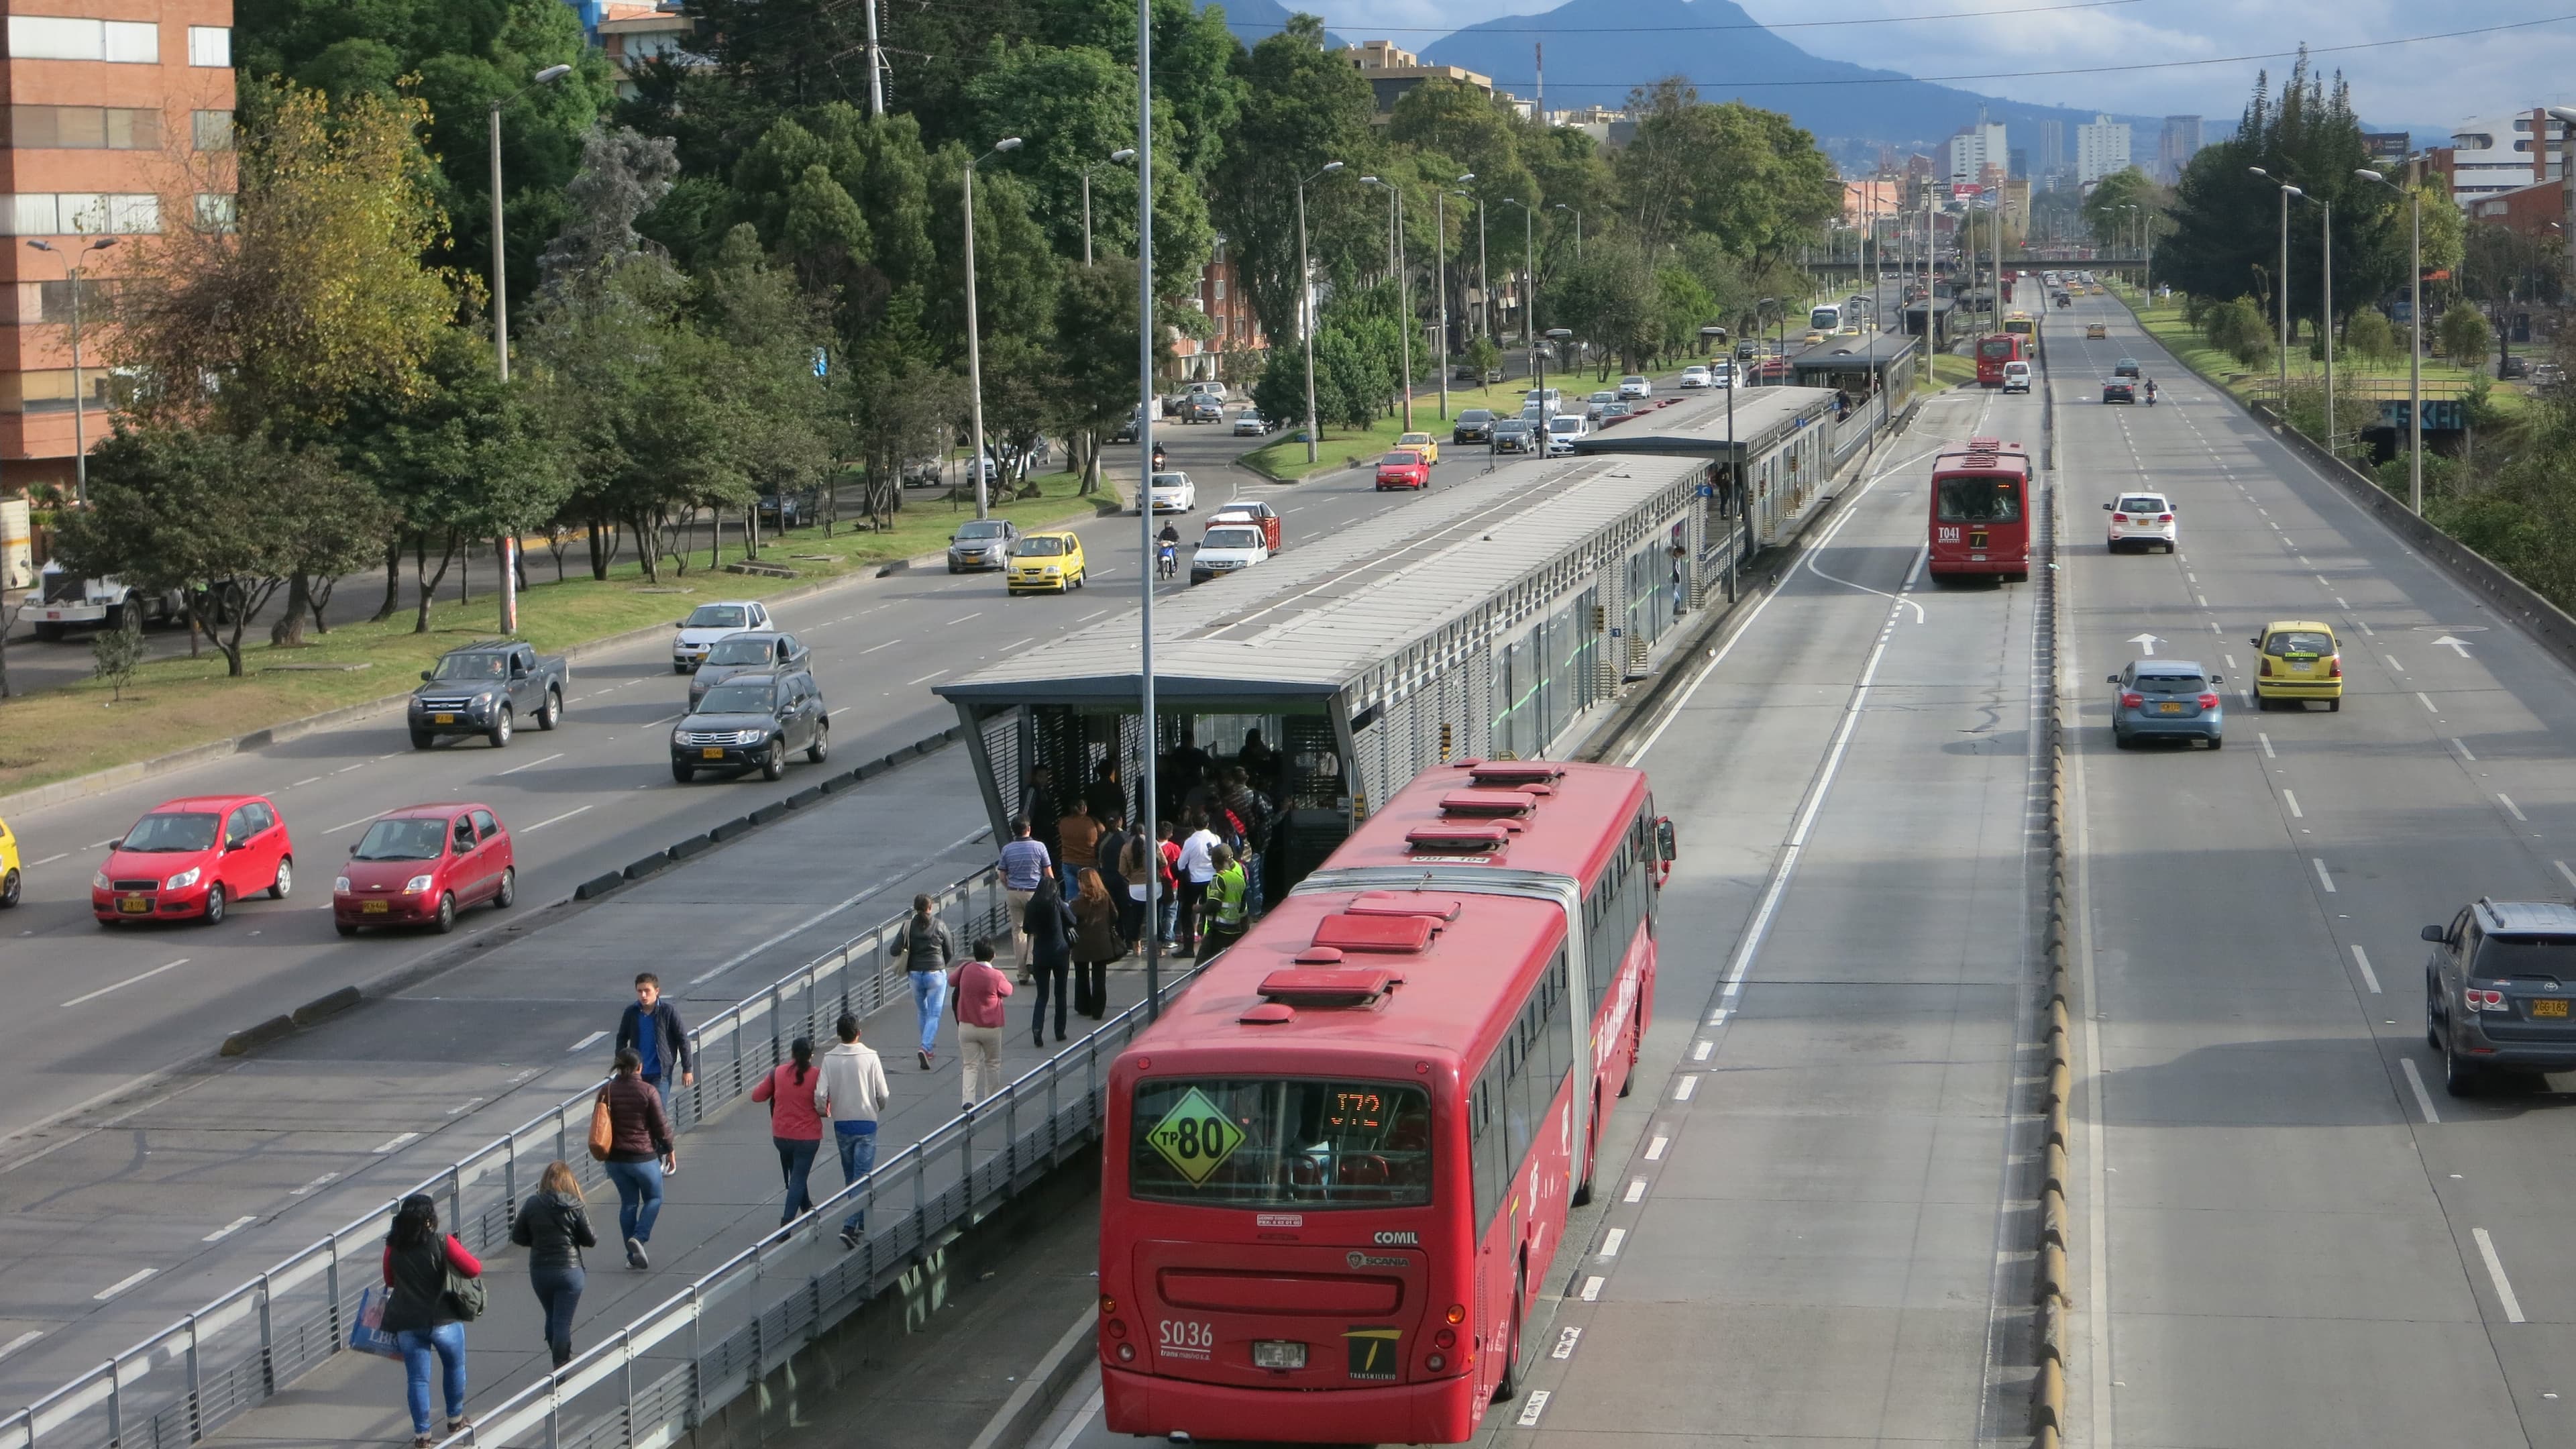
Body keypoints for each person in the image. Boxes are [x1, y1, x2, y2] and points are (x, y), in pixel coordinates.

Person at [381, 1193, 482, 1448]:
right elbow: (474, 1268)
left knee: (417, 1379)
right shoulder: (441, 1242)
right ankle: (455, 1420)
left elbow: (390, 1280)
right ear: (429, 1219)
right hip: (444, 1319)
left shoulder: (392, 1248)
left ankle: (422, 1437)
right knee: (455, 1366)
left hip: (408, 1323)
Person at [509, 1161, 596, 1369]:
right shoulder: (575, 1205)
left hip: (540, 1270)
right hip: (570, 1270)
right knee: (562, 1321)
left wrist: (539, 1241)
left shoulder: (532, 1204)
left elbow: (517, 1236)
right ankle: (561, 1364)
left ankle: (560, 1358)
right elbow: (591, 1239)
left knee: (552, 1316)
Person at [815, 1012, 890, 1250]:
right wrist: (878, 1106)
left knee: (851, 1177)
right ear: (859, 1032)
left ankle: (859, 1221)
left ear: (839, 1034)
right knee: (863, 1175)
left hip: (842, 1123)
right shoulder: (871, 1057)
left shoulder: (829, 1059)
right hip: (866, 1122)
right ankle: (849, 1226)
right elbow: (883, 1093)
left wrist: (823, 1110)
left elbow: (820, 1094)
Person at [598, 1048, 676, 1270]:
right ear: (640, 1067)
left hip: (615, 1160)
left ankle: (632, 1257)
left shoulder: (607, 1091)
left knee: (629, 1203)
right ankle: (639, 1238)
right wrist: (669, 1149)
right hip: (643, 1158)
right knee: (654, 1198)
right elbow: (661, 1126)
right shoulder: (648, 1091)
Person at [751, 1038, 824, 1226]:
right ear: (812, 1056)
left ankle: (808, 1210)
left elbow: (757, 1096)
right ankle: (787, 1223)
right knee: (799, 1176)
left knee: (797, 1174)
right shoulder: (817, 1075)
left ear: (791, 1053)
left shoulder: (778, 1072)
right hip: (807, 1138)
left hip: (782, 1136)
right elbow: (825, 1102)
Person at [888, 894, 954, 1071]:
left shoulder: (907, 926)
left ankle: (928, 1047)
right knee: (934, 1013)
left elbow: (893, 950)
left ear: (915, 908)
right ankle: (925, 1046)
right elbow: (949, 951)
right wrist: (941, 965)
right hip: (936, 973)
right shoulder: (940, 925)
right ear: (930, 908)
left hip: (915, 974)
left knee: (922, 1011)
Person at [952, 939, 1014, 1106]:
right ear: (993, 955)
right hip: (991, 1027)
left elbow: (951, 981)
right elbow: (1008, 991)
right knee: (992, 1063)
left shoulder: (966, 969)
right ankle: (991, 1103)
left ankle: (968, 1101)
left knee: (970, 1065)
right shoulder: (996, 976)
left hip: (967, 1025)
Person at [614, 974, 694, 1102]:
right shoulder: (631, 1012)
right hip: (637, 1073)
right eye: (640, 991)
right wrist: (621, 1064)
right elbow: (622, 1038)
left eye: (647, 991)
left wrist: (687, 1069)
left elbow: (682, 1039)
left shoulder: (667, 1011)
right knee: (639, 1111)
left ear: (657, 991)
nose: (643, 995)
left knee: (657, 1109)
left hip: (661, 1073)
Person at [1024, 873, 1077, 1045]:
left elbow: (1026, 929)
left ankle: (1037, 1030)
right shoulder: (1057, 903)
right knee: (1060, 994)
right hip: (1060, 952)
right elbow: (1073, 920)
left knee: (1042, 995)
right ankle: (1059, 1031)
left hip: (1040, 953)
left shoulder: (1032, 905)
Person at [997, 818, 1051, 975]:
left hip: (1014, 892)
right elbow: (1048, 873)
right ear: (1029, 828)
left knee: (1018, 931)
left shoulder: (1007, 849)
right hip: (1034, 892)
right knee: (1037, 928)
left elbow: (1002, 875)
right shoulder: (1039, 847)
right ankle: (1031, 961)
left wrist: (1010, 888)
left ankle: (1022, 973)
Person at [1071, 867, 1122, 1020]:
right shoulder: (1105, 897)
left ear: (1083, 883)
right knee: (1099, 977)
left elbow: (1071, 919)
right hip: (1102, 942)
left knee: (1081, 976)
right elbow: (1115, 915)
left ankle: (1083, 1006)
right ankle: (1098, 1010)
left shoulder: (1077, 902)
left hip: (1082, 944)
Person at [1175, 814, 1220, 955]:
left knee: (1186, 914)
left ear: (1193, 825)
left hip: (1194, 881)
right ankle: (1213, 945)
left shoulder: (1190, 841)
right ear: (1208, 824)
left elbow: (1181, 865)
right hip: (1212, 879)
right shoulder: (1216, 838)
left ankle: (1188, 948)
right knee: (1212, 912)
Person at [1199, 843, 1252, 960]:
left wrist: (1197, 909)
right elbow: (1243, 907)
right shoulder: (1239, 873)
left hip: (1217, 931)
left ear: (1215, 863)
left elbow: (1213, 905)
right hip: (1235, 930)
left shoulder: (1219, 878)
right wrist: (1244, 931)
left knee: (1201, 968)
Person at [1154, 820, 1183, 946]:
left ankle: (1156, 937)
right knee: (1170, 912)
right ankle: (1168, 937)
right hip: (1171, 883)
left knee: (1156, 912)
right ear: (1170, 834)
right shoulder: (1174, 848)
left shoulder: (1150, 847)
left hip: (1155, 883)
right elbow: (1180, 866)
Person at [1057, 796, 1101, 874]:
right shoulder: (1093, 822)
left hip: (1068, 862)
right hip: (1089, 862)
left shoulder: (1063, 822)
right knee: (1090, 886)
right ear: (1085, 808)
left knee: (1071, 887)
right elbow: (1104, 835)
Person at [1086, 761, 1130, 828]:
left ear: (1099, 772)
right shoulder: (1117, 788)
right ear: (1112, 772)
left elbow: (1088, 811)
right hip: (1114, 825)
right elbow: (1122, 809)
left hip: (1095, 826)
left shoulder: (1091, 789)